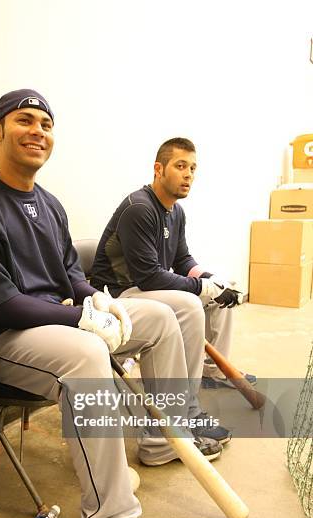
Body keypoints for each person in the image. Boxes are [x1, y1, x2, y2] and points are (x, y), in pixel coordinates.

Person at [0, 91, 222, 518]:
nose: (37, 131)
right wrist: (80, 319)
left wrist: (101, 302)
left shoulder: (49, 204)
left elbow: (70, 273)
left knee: (163, 313)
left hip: (56, 325)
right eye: (23, 120)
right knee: (85, 355)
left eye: (46, 123)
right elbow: (0, 307)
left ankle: (161, 441)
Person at [91, 137, 256, 389]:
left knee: (220, 296)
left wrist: (212, 281)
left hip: (146, 288)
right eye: (180, 166)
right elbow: (149, 277)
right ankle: (184, 404)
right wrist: (204, 288)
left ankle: (212, 374)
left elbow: (182, 260)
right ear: (159, 169)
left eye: (192, 168)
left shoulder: (176, 211)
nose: (188, 175)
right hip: (119, 293)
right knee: (190, 303)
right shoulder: (139, 208)